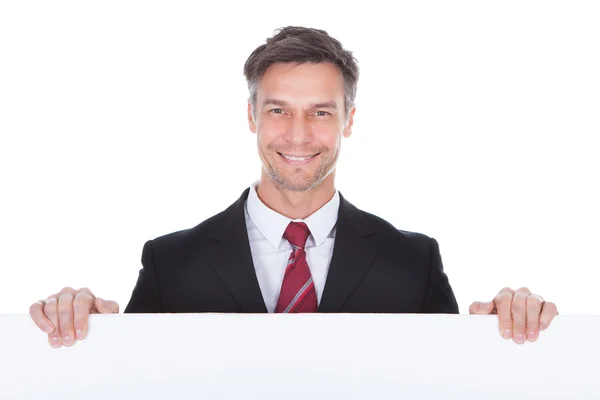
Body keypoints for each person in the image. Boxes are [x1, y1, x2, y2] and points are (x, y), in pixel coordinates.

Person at [29, 26, 558, 348]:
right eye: (278, 109)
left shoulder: (412, 261)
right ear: (251, 116)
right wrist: (84, 332)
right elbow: (129, 386)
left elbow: (454, 384)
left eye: (321, 112)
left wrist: (507, 333)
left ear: (348, 120)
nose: (299, 135)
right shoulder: (172, 262)